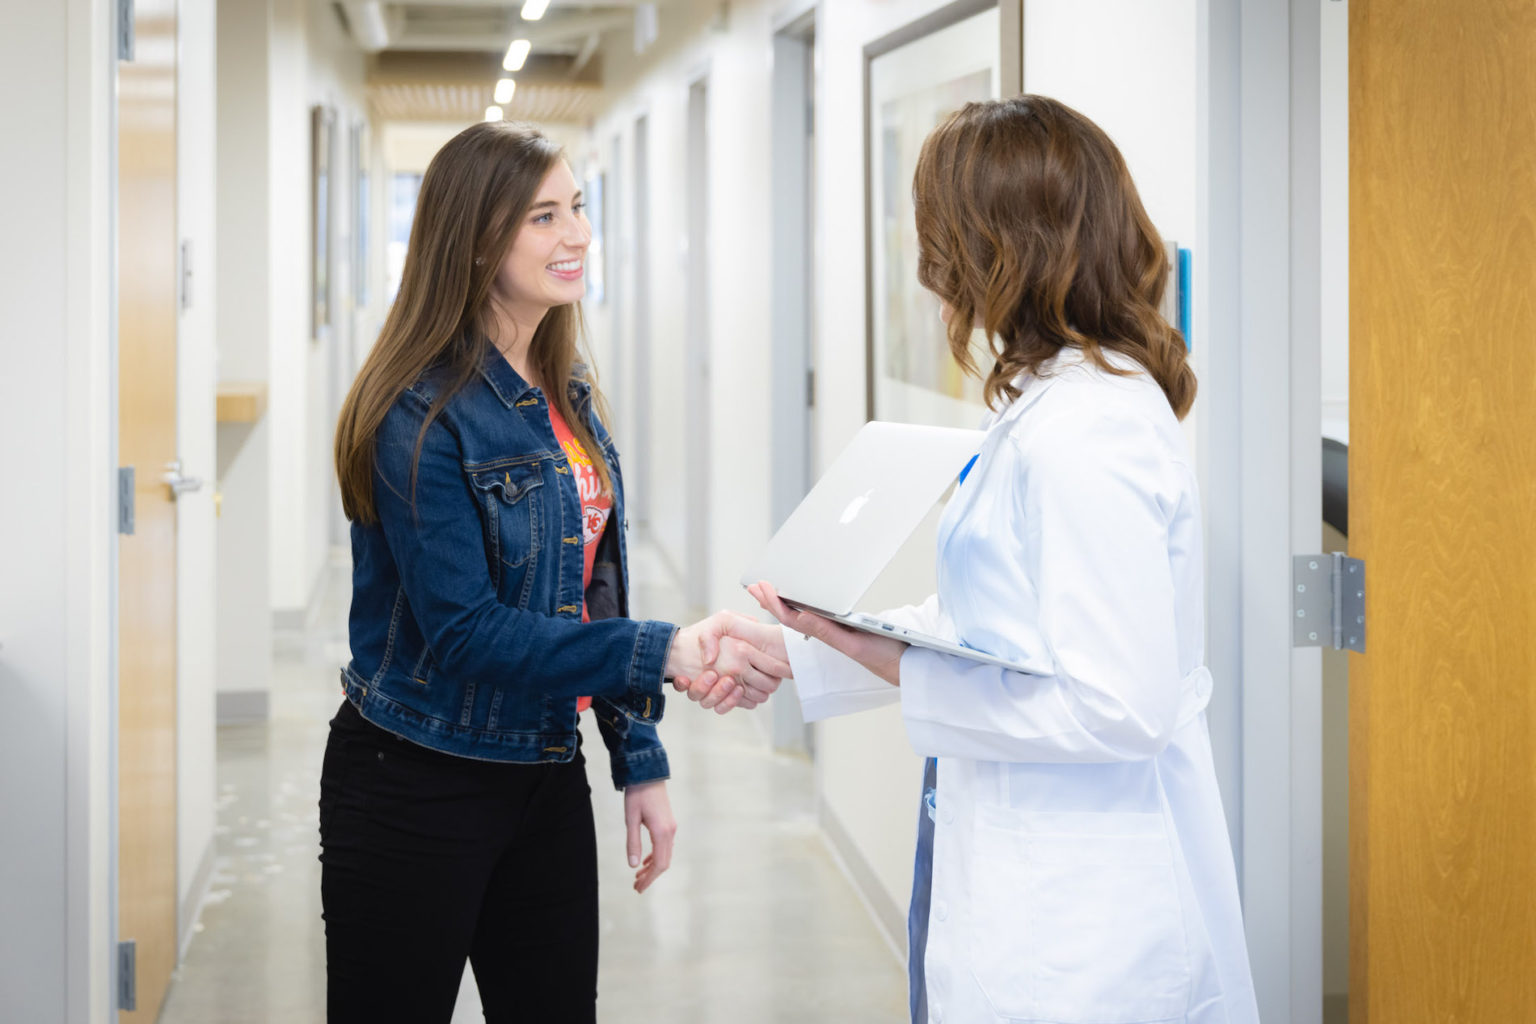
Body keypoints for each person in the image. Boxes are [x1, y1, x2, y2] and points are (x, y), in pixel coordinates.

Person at [678, 96, 1260, 1023]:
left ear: (995, 247)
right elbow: (999, 628)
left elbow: (1118, 705)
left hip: (1083, 928)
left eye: (937, 235)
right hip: (1019, 871)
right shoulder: (1053, 398)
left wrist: (886, 658)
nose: (928, 269)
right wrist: (803, 648)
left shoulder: (1089, 431)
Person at [322, 121, 788, 1024]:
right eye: (543, 216)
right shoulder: (417, 411)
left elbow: (588, 596)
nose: (577, 234)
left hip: (543, 771)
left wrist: (639, 760)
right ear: (474, 237)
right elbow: (466, 632)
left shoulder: (566, 391)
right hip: (417, 781)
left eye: (576, 208)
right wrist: (668, 651)